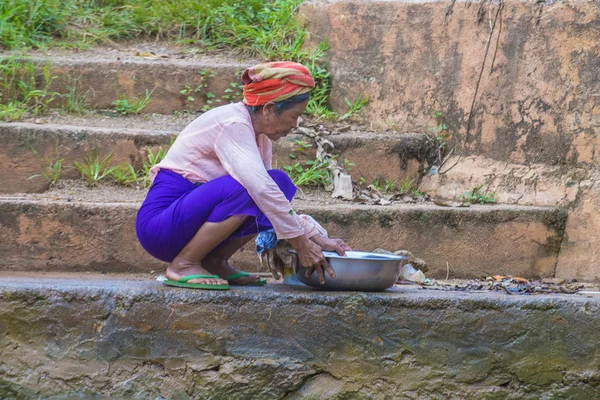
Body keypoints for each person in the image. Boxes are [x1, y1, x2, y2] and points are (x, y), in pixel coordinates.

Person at [135, 61, 351, 290]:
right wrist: (301, 244)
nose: (295, 125)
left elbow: (269, 198)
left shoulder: (260, 137)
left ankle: (214, 261)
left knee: (278, 185)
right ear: (268, 109)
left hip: (184, 225)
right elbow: (260, 189)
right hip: (160, 227)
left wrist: (313, 237)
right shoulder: (233, 124)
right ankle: (184, 264)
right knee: (258, 186)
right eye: (293, 116)